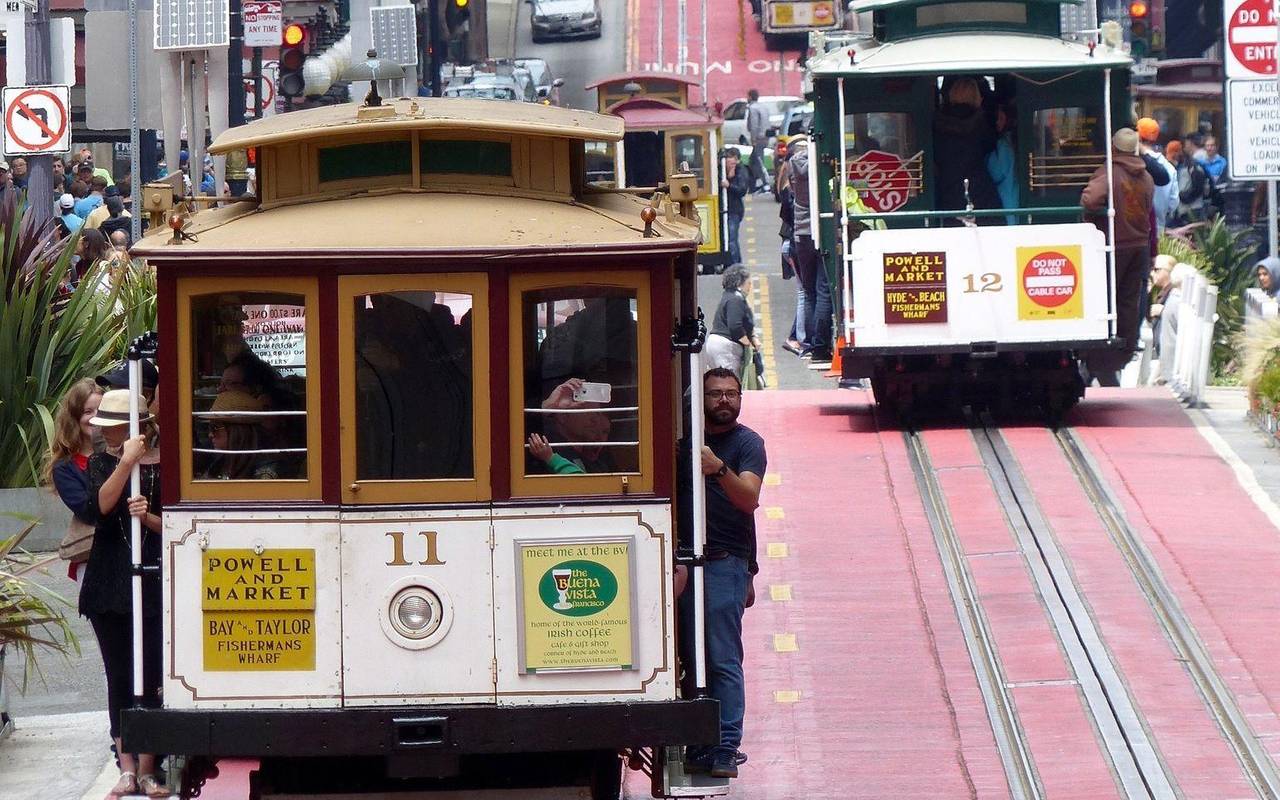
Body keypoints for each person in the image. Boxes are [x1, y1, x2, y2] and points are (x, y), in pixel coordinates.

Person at [679, 367, 766, 780]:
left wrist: (716, 469)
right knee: (686, 653)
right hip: (682, 564)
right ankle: (695, 740)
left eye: (731, 393)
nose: (724, 401)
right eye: (716, 395)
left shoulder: (748, 444)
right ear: (702, 400)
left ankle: (726, 745)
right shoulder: (683, 443)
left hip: (724, 562)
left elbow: (748, 499)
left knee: (722, 657)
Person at [82, 389, 168, 798]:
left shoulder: (168, 463)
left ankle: (151, 766)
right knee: (118, 674)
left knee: (151, 672)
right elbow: (100, 506)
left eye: (111, 425)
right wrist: (127, 461)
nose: (104, 433)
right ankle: (127, 766)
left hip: (153, 577)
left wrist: (147, 516)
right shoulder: (103, 461)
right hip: (109, 580)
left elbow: (177, 526)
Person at [1081, 127, 1155, 385]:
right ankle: (1124, 349)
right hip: (1139, 245)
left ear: (1113, 147)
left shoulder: (1111, 172)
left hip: (1116, 243)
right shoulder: (1145, 176)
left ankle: (1101, 358)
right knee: (1129, 300)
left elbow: (1090, 200)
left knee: (1106, 298)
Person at [43, 378, 104, 581]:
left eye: (101, 411)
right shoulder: (65, 467)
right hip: (93, 561)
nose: (95, 417)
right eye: (88, 412)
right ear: (75, 418)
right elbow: (89, 511)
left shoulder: (126, 450)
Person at [788, 137, 833, 364]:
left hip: (801, 233)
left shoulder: (792, 166)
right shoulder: (822, 165)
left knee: (808, 291)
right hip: (822, 229)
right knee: (824, 290)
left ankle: (809, 343)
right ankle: (820, 344)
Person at [932, 77, 1000, 223]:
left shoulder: (936, 126)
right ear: (977, 96)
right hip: (980, 191)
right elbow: (991, 149)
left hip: (947, 190)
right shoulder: (983, 125)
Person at [200, 389, 282, 480]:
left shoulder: (265, 470)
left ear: (238, 432)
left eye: (214, 428)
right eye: (209, 428)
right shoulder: (222, 459)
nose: (210, 434)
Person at [706, 265, 763, 386]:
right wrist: (748, 344)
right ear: (740, 283)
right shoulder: (735, 300)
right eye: (748, 283)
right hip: (726, 348)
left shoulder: (729, 296)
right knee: (730, 383)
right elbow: (735, 326)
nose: (750, 287)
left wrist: (753, 338)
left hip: (717, 345)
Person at [1137, 118, 1178, 234]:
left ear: (1138, 137)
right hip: (1159, 229)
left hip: (1135, 230)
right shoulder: (1170, 168)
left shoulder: (1135, 162)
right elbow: (1173, 204)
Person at [986, 103, 1018, 225]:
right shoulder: (1017, 141)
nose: (997, 122)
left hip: (1006, 199)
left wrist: (988, 157)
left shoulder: (1004, 144)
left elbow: (997, 173)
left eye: (1001, 119)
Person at [721, 150, 750, 266]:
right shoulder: (721, 171)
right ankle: (731, 262)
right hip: (723, 209)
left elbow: (742, 190)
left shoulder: (741, 171)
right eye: (728, 163)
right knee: (727, 238)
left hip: (734, 210)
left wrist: (729, 185)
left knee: (732, 238)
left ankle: (735, 264)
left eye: (733, 163)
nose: (730, 166)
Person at [745, 89, 769, 192]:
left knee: (759, 161)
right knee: (753, 161)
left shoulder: (752, 108)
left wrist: (753, 139)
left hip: (758, 138)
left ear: (750, 96)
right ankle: (752, 185)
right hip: (765, 136)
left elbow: (754, 125)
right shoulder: (763, 107)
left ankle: (766, 184)